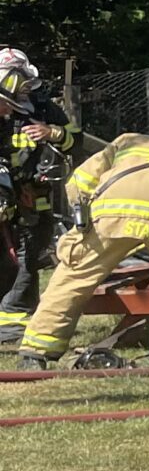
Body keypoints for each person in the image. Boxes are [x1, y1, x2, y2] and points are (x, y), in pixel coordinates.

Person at [13, 129, 149, 368]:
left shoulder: (129, 142)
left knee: (74, 276)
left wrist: (81, 216)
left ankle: (36, 351)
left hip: (112, 213)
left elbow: (80, 180)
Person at [0, 51, 75, 353]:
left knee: (28, 260)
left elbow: (75, 140)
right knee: (7, 262)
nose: (7, 110)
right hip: (6, 197)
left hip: (34, 198)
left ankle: (12, 325)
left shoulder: (41, 107)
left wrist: (52, 133)